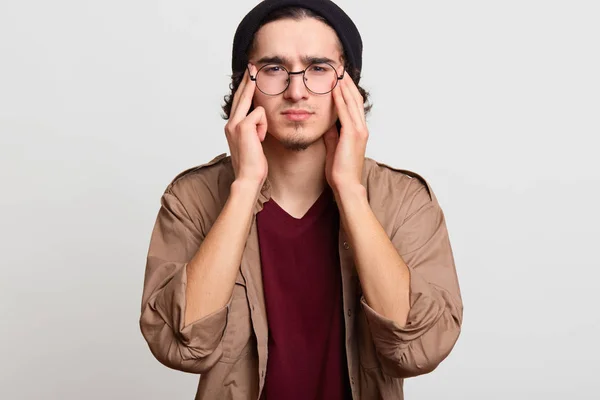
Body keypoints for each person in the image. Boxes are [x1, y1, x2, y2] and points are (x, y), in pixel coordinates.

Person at [139, 0, 463, 399]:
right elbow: (182, 345)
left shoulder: (405, 201)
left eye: (318, 68)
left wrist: (349, 190)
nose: (296, 91)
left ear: (348, 85)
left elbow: (419, 349)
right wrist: (245, 187)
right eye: (274, 69)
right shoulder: (190, 199)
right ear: (245, 85)